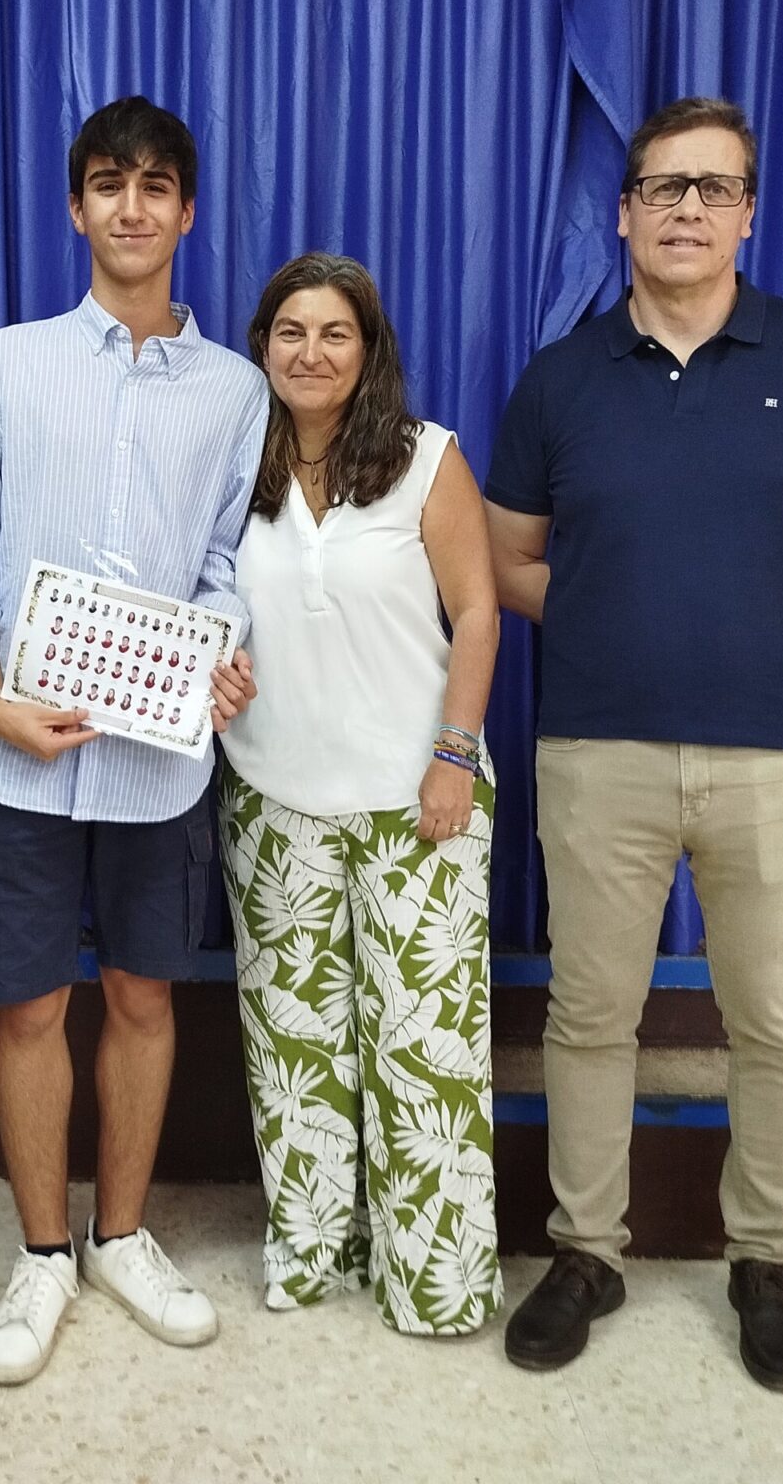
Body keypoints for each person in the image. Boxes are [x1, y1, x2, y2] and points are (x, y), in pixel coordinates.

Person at [485, 97, 783, 1391]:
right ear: (623, 213)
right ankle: (587, 1252)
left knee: (777, 1018)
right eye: (662, 187)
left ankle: (765, 1262)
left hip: (772, 755)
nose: (686, 209)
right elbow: (505, 560)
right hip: (596, 753)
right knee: (589, 1014)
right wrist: (616, 619)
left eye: (713, 188)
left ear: (747, 215)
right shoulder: (560, 378)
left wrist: (769, 617)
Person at [0, 97, 267, 1386]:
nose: (131, 206)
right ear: (75, 208)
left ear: (186, 211)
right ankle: (41, 1253)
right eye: (108, 183)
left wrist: (220, 653)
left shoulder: (234, 390)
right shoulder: (4, 364)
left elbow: (227, 563)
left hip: (158, 763)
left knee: (141, 996)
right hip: (14, 754)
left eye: (155, 185)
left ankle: (120, 1237)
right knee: (26, 1005)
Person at [218, 253, 503, 1335]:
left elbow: (478, 613)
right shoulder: (231, 464)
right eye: (289, 332)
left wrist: (454, 754)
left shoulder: (427, 459)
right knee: (295, 1049)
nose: (310, 352)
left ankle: (435, 1283)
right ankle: (311, 1255)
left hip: (415, 797)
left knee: (425, 1054)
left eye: (334, 332)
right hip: (271, 798)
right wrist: (211, 670)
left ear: (368, 348)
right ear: (261, 347)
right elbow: (203, 605)